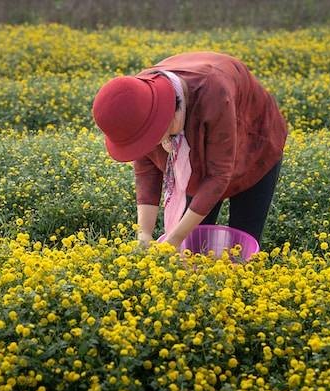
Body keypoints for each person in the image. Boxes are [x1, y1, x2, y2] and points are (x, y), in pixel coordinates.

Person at [92, 51, 287, 249]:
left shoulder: (213, 93)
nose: (152, 144)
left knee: (243, 240)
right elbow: (146, 168)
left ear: (167, 116)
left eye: (152, 137)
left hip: (255, 146)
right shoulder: (138, 102)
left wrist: (174, 240)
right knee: (194, 244)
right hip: (197, 158)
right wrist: (144, 234)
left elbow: (218, 176)